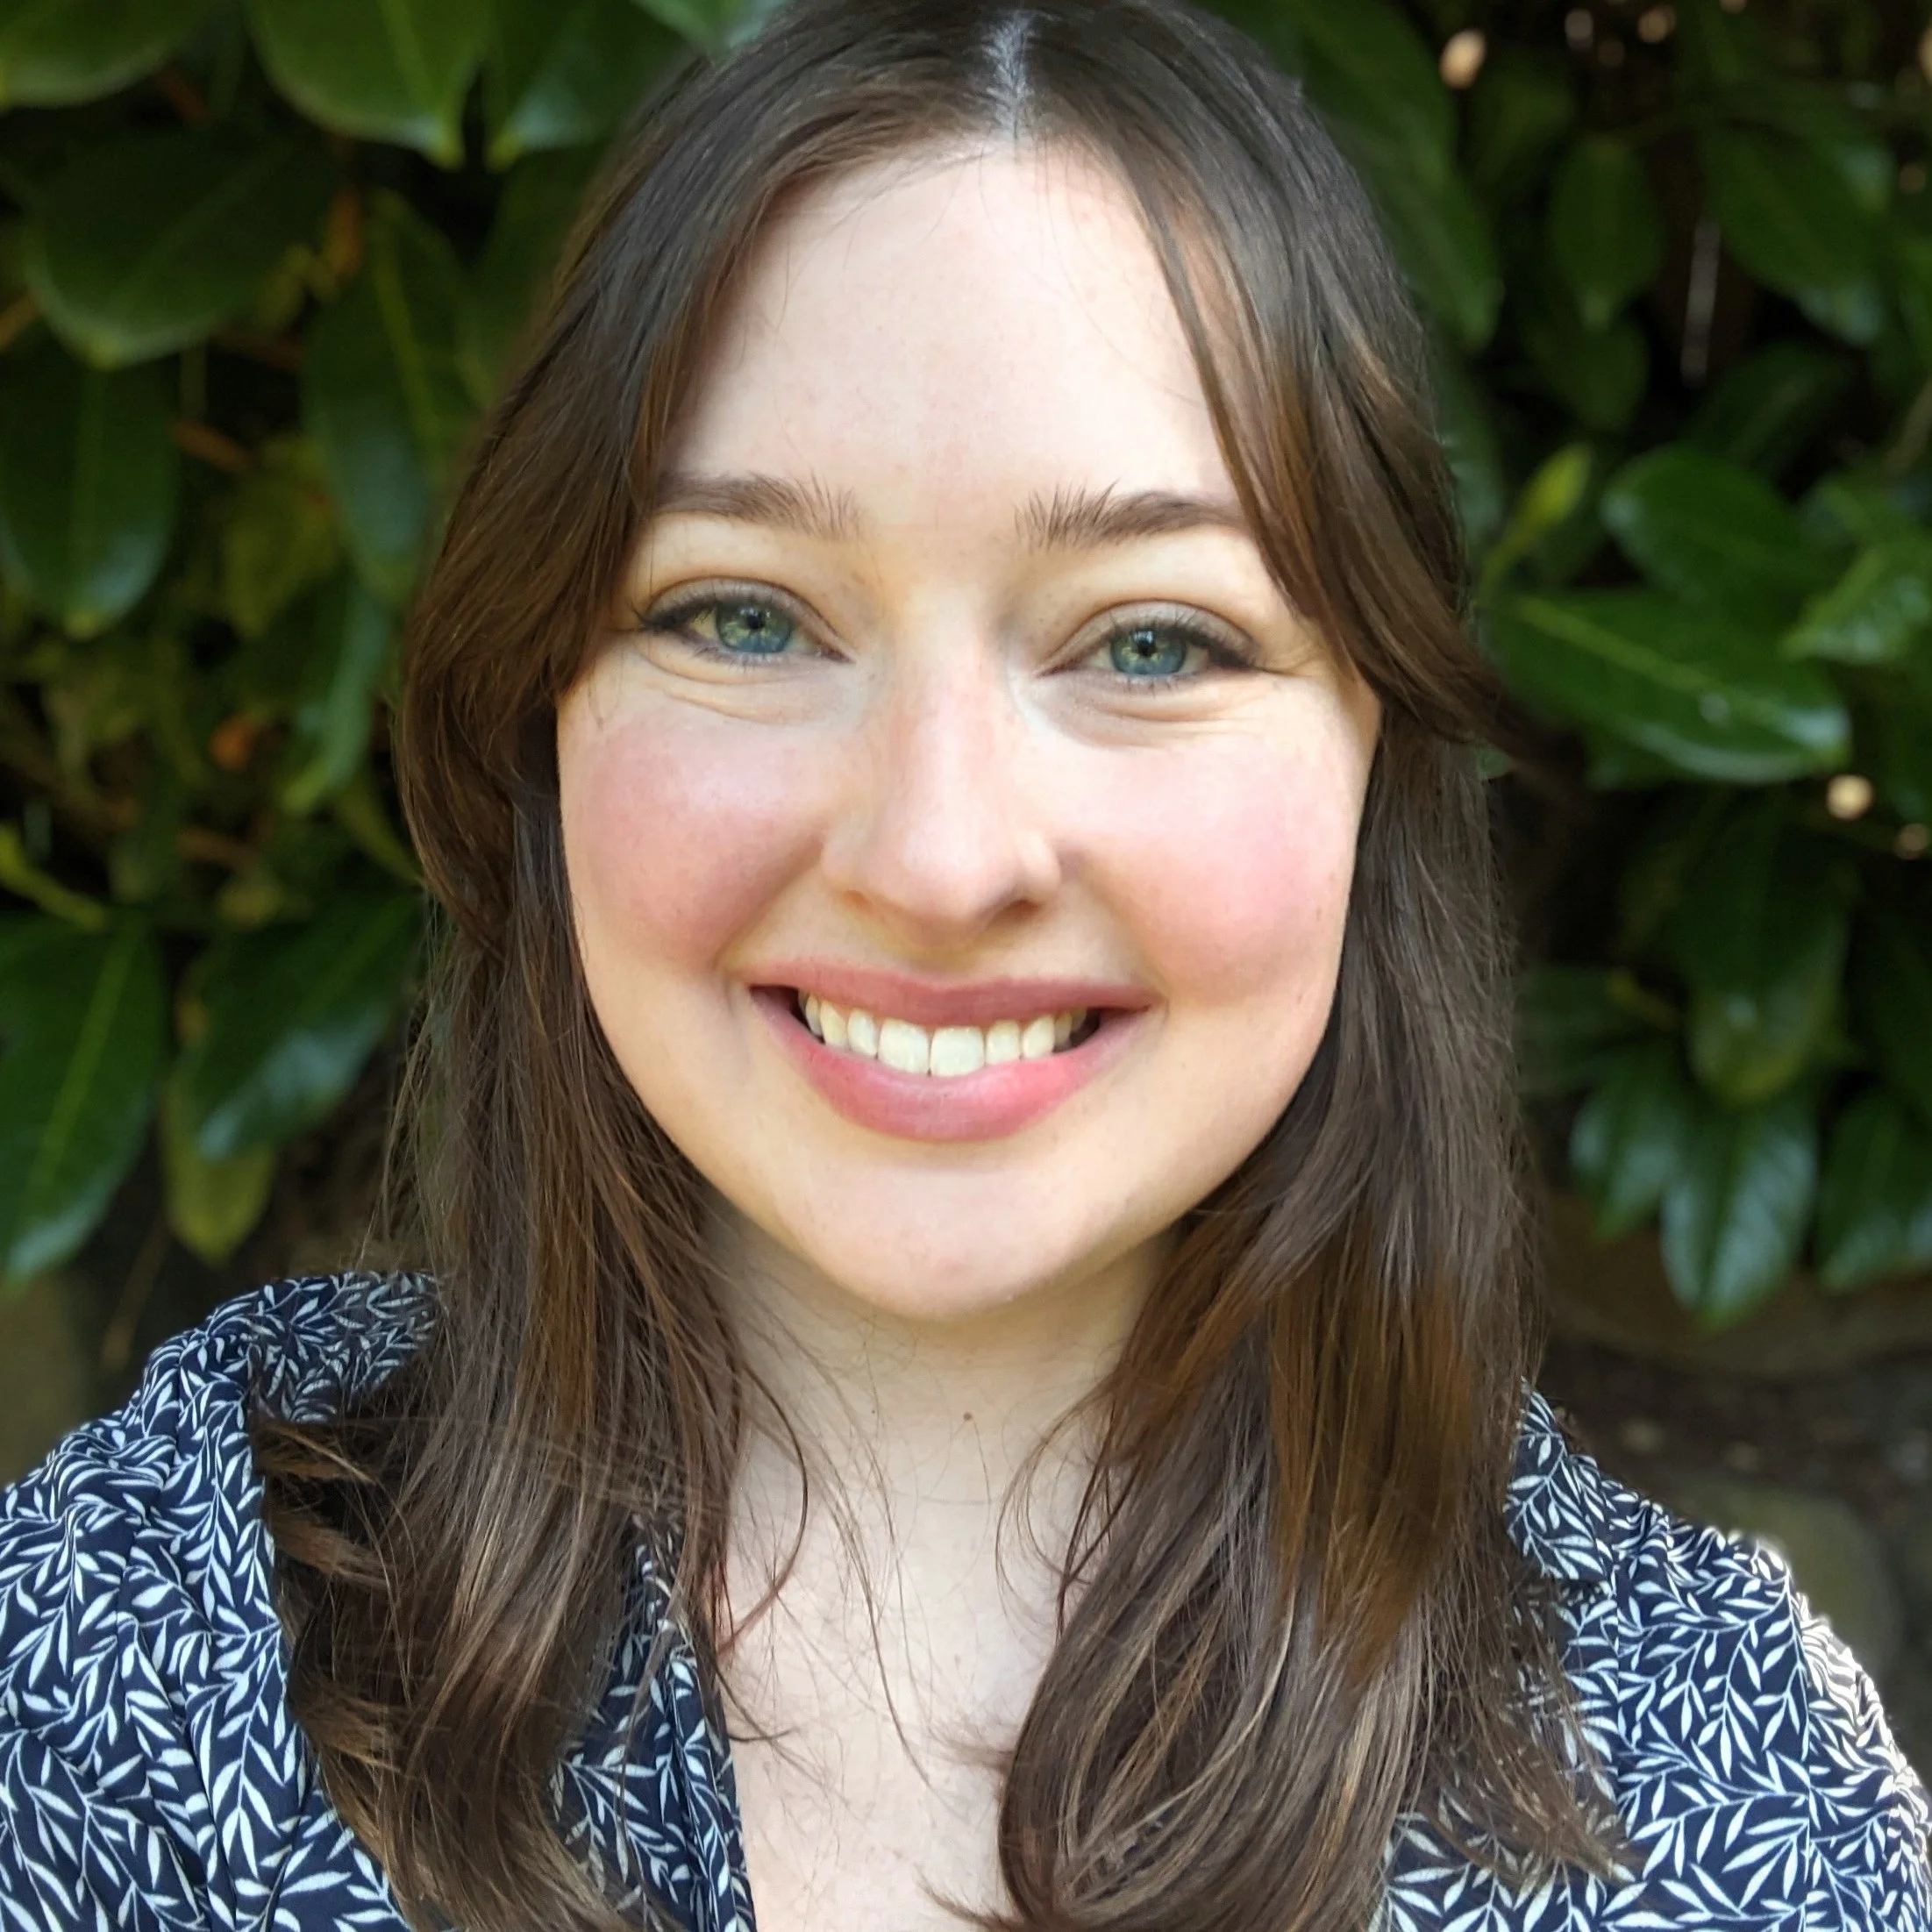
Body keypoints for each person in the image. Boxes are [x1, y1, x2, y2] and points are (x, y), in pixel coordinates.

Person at [2, 0, 1928, 1926]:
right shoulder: (115, 1673)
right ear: (540, 716)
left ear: (1376, 758)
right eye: (745, 617)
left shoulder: (1729, 1800)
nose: (937, 856)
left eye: (1152, 641)